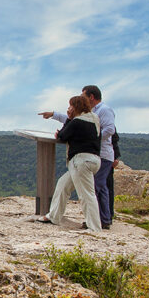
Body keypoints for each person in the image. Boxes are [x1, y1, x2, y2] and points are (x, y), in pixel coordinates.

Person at [40, 85, 115, 228]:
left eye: (70, 107)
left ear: (76, 108)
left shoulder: (76, 122)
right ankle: (53, 216)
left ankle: (94, 228)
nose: (69, 109)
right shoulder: (94, 119)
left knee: (87, 195)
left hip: (81, 162)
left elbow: (63, 135)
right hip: (94, 160)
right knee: (63, 185)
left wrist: (68, 119)